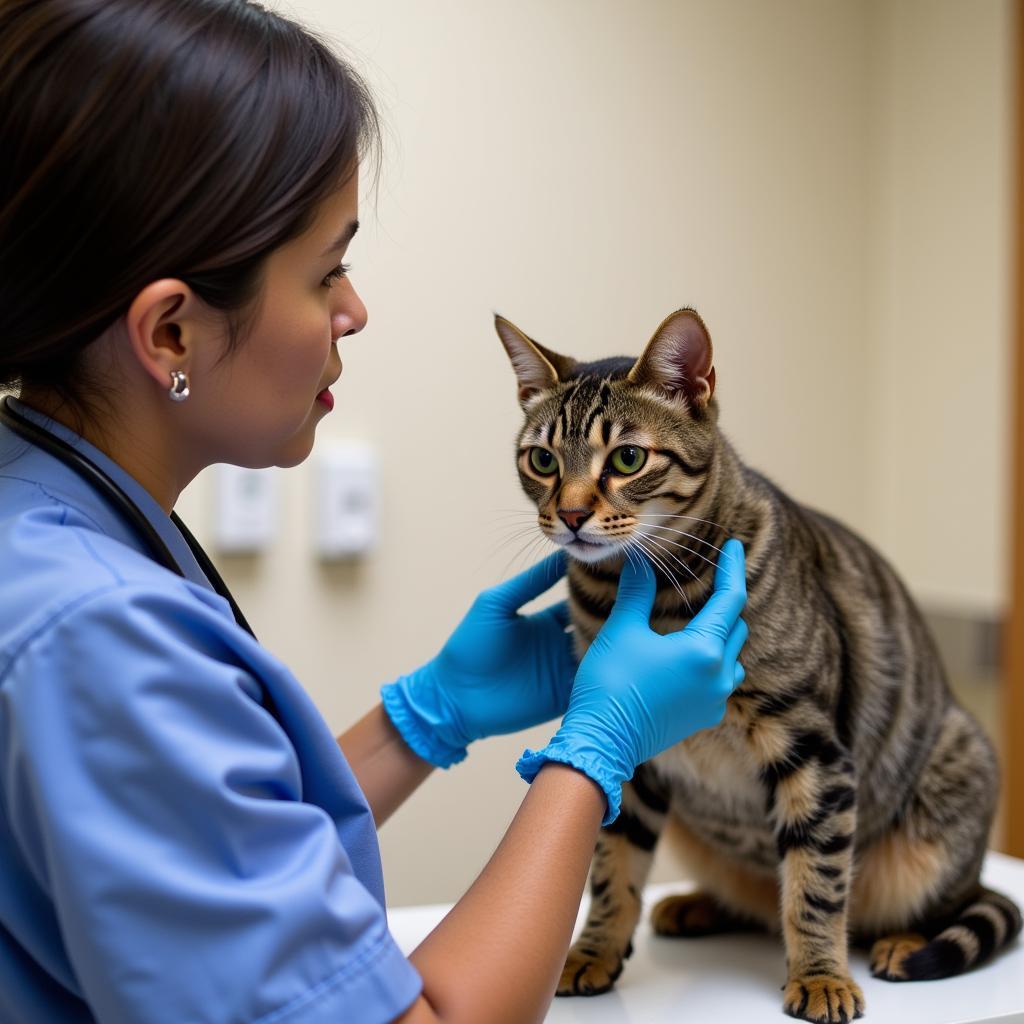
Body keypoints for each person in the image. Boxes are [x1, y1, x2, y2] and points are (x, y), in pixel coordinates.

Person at [0, 2, 749, 1022]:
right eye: (327, 270)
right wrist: (593, 750)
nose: (355, 310)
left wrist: (426, 715)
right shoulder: (96, 638)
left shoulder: (46, 511)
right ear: (169, 332)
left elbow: (215, 842)